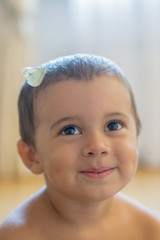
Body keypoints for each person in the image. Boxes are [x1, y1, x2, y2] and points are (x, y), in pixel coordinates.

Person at [0, 54, 159, 240]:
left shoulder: (148, 230)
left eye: (113, 125)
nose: (97, 146)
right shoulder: (17, 235)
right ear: (32, 156)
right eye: (70, 130)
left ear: (136, 137)